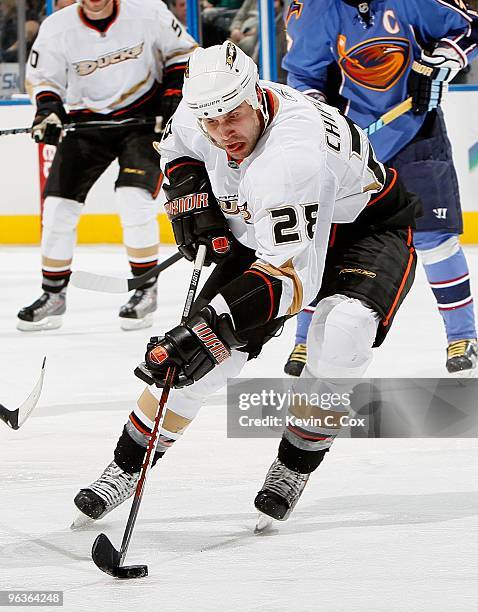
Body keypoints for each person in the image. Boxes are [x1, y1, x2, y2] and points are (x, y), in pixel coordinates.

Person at [72, 42, 417, 528]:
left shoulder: (291, 158)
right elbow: (178, 151)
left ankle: (294, 463)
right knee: (200, 363)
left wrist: (208, 324)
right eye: (210, 122)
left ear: (256, 96)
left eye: (232, 117)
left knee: (344, 333)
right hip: (267, 231)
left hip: (361, 229)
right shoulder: (202, 115)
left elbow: (293, 280)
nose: (222, 133)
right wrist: (191, 201)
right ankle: (124, 469)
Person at [282, 0, 478, 376]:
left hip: (416, 133)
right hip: (349, 147)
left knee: (434, 238)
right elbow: (303, 78)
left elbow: (469, 27)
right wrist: (326, 124)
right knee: (325, 241)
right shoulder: (314, 11)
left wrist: (442, 63)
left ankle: (463, 335)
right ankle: (306, 340)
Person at [17, 0, 197, 332]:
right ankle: (53, 293)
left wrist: (173, 95)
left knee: (133, 197)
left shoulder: (148, 10)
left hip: (145, 121)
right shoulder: (57, 27)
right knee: (57, 206)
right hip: (87, 122)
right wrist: (49, 111)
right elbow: (44, 80)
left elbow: (183, 53)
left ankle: (145, 287)